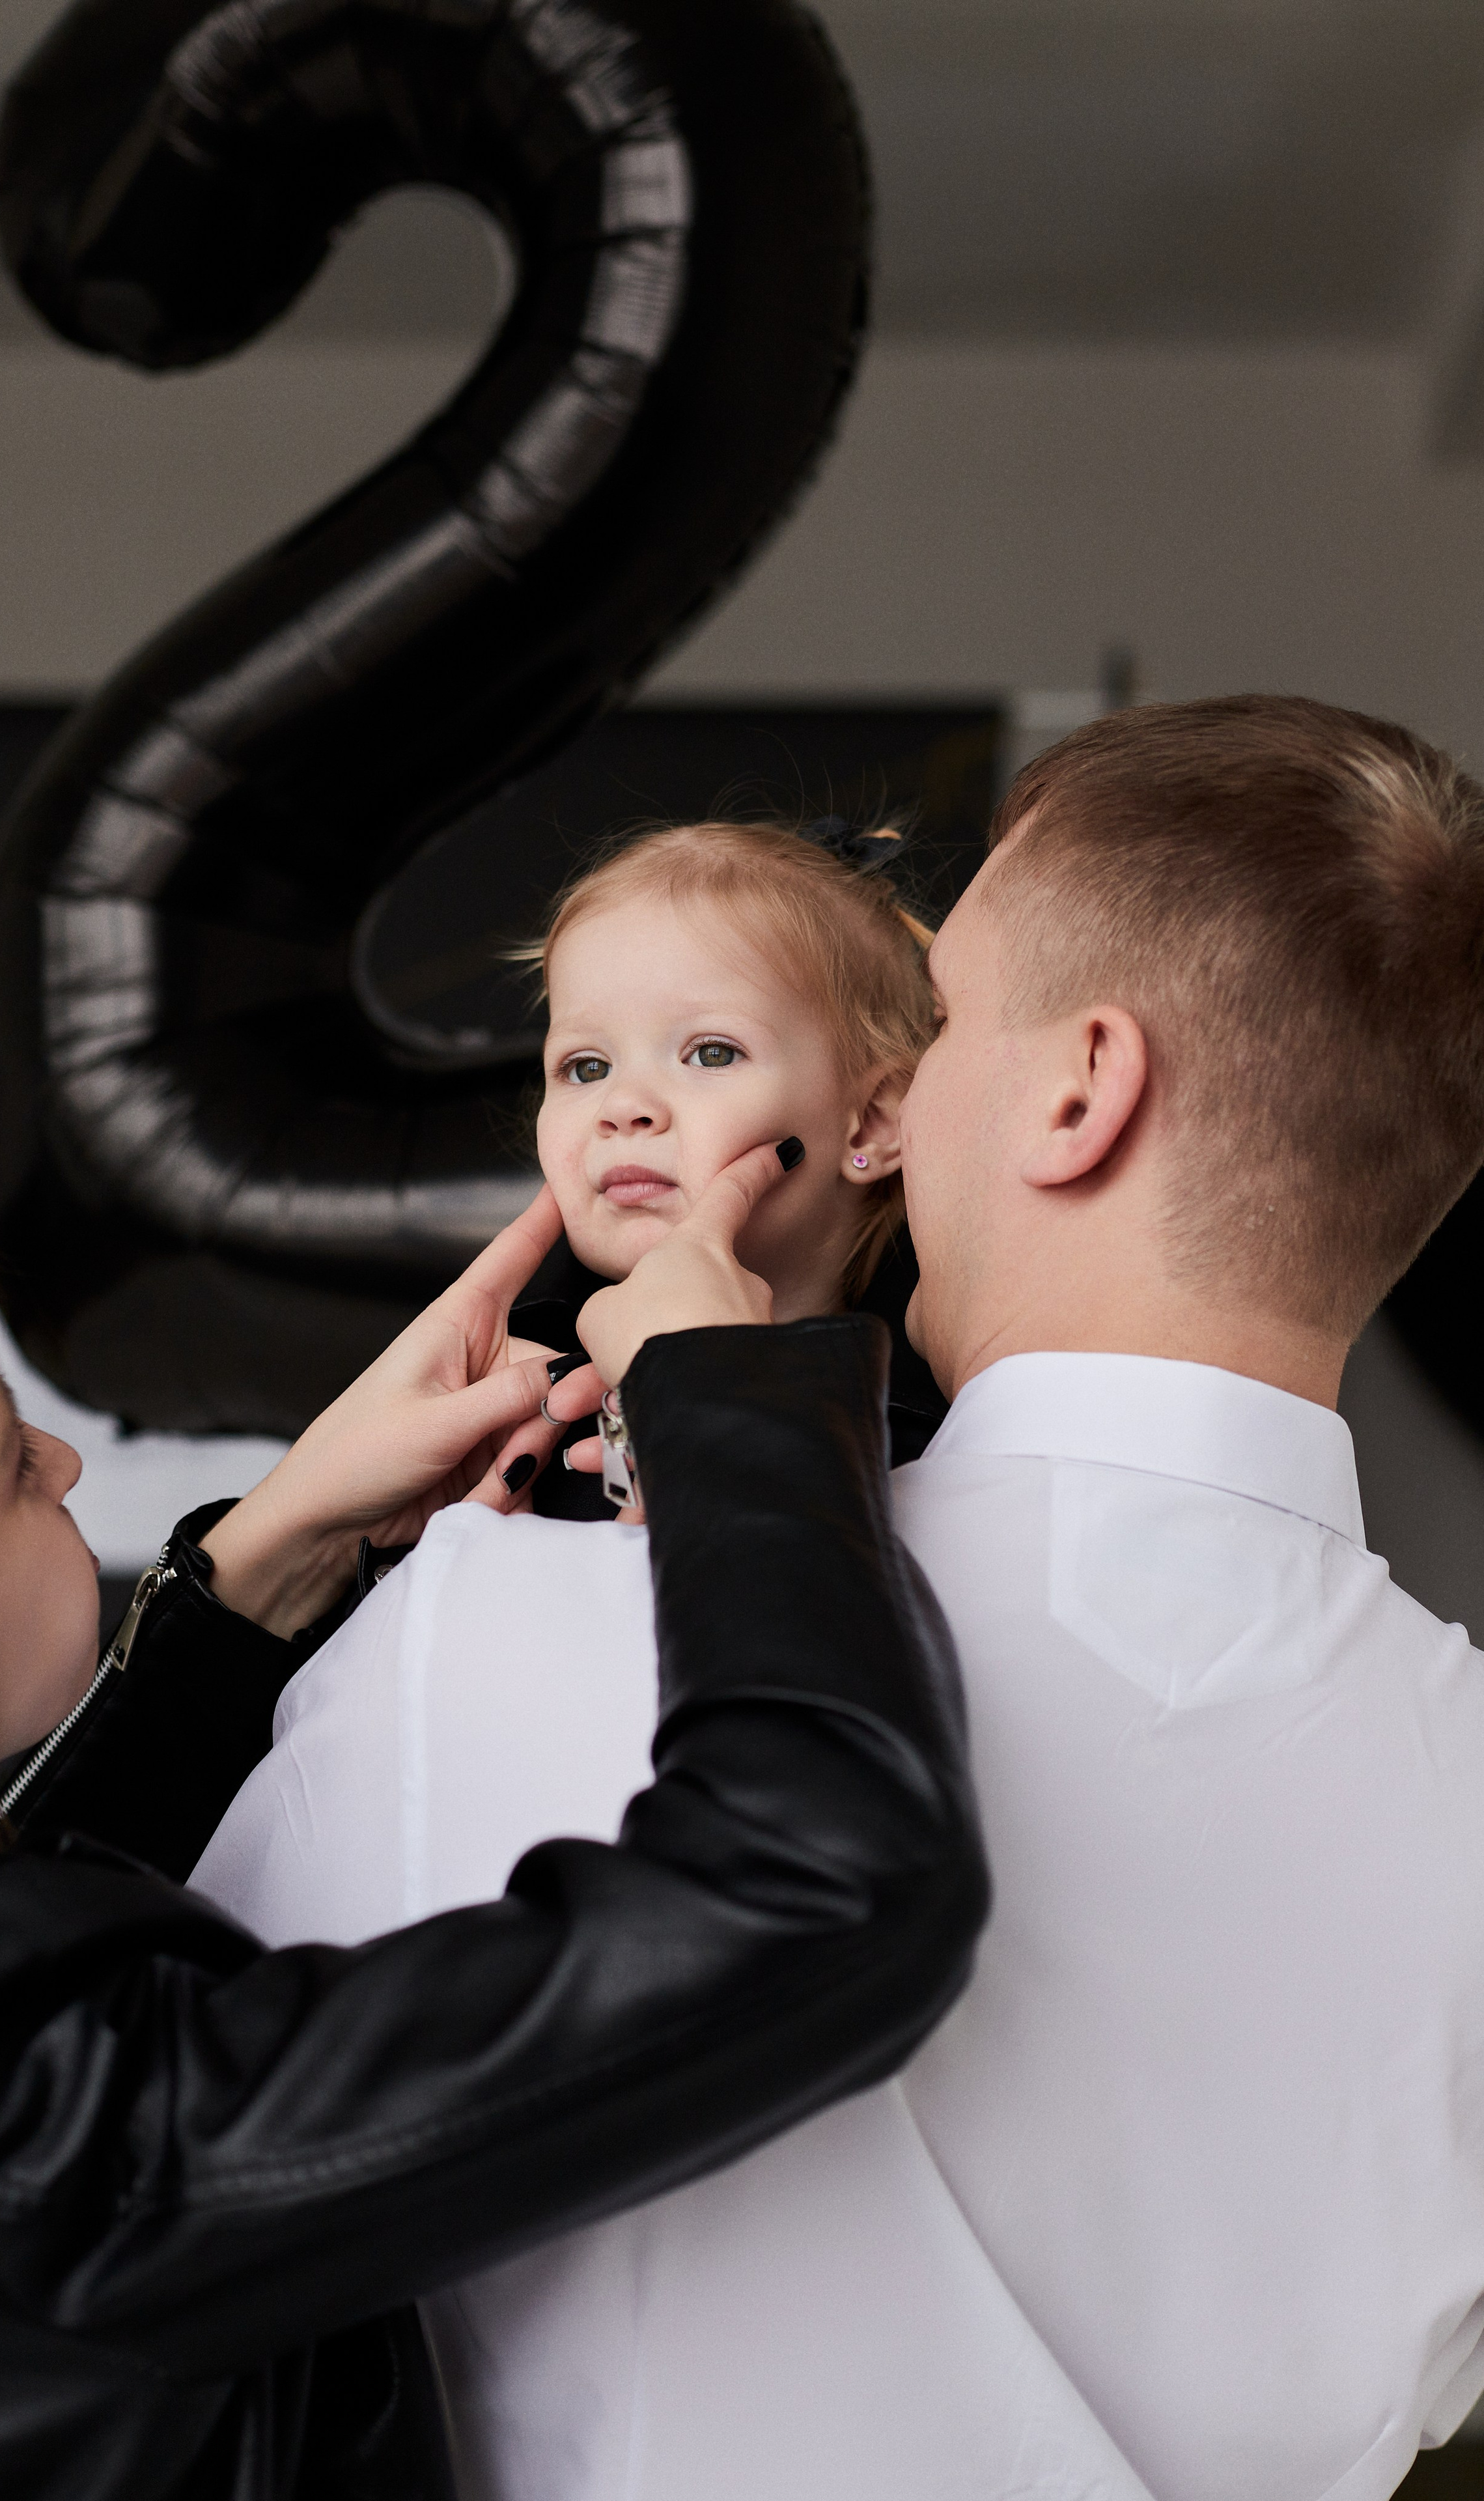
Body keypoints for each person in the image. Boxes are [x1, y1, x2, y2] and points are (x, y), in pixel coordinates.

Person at [197, 694, 1484, 2501]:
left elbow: (64, 2167)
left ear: (1078, 1089)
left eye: (938, 1019)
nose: (896, 1086)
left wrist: (260, 1567)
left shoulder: (502, 1631)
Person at [0, 1153, 988, 2501]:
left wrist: (279, 1548)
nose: (67, 1456)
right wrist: (728, 1395)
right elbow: (813, 1885)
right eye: (12, 1464)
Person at [499, 812, 950, 1525]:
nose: (623, 1107)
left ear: (871, 1121)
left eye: (710, 1053)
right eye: (585, 1067)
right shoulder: (500, 1392)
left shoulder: (926, 1451)